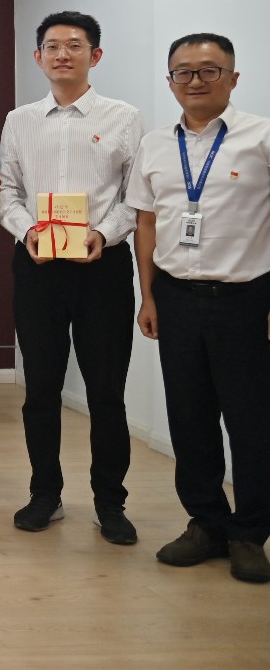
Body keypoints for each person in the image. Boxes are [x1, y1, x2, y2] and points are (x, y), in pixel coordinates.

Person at [0, 11, 144, 544]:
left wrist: (103, 233)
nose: (63, 54)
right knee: (41, 388)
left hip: (102, 267)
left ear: (95, 56)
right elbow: (7, 192)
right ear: (38, 57)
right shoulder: (20, 120)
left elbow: (135, 197)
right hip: (38, 266)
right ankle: (45, 493)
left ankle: (110, 502)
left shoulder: (124, 117)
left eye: (75, 45)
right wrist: (27, 231)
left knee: (106, 391)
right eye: (53, 46)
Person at [130, 32, 270, 584]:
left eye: (209, 70)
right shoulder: (155, 145)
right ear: (170, 82)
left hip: (246, 300)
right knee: (189, 419)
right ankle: (206, 523)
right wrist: (148, 295)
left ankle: (249, 533)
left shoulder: (261, 137)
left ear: (233, 78)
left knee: (252, 422)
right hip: (177, 297)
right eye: (183, 72)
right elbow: (146, 223)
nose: (195, 80)